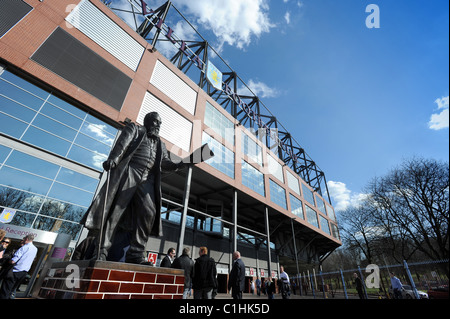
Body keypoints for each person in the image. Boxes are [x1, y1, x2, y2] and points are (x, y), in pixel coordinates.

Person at [80, 112, 185, 264]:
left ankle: (136, 254)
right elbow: (121, 145)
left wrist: (180, 164)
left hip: (147, 180)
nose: (158, 125)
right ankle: (101, 251)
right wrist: (113, 160)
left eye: (160, 123)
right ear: (147, 121)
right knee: (116, 212)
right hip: (130, 172)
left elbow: (165, 163)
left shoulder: (161, 144)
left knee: (149, 213)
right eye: (155, 122)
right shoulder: (135, 130)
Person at [0, 234, 37, 299]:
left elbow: (13, 261)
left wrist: (8, 261)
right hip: (23, 273)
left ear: (27, 239)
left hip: (15, 271)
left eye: (24, 238)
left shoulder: (24, 248)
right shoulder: (35, 249)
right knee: (12, 291)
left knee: (5, 290)